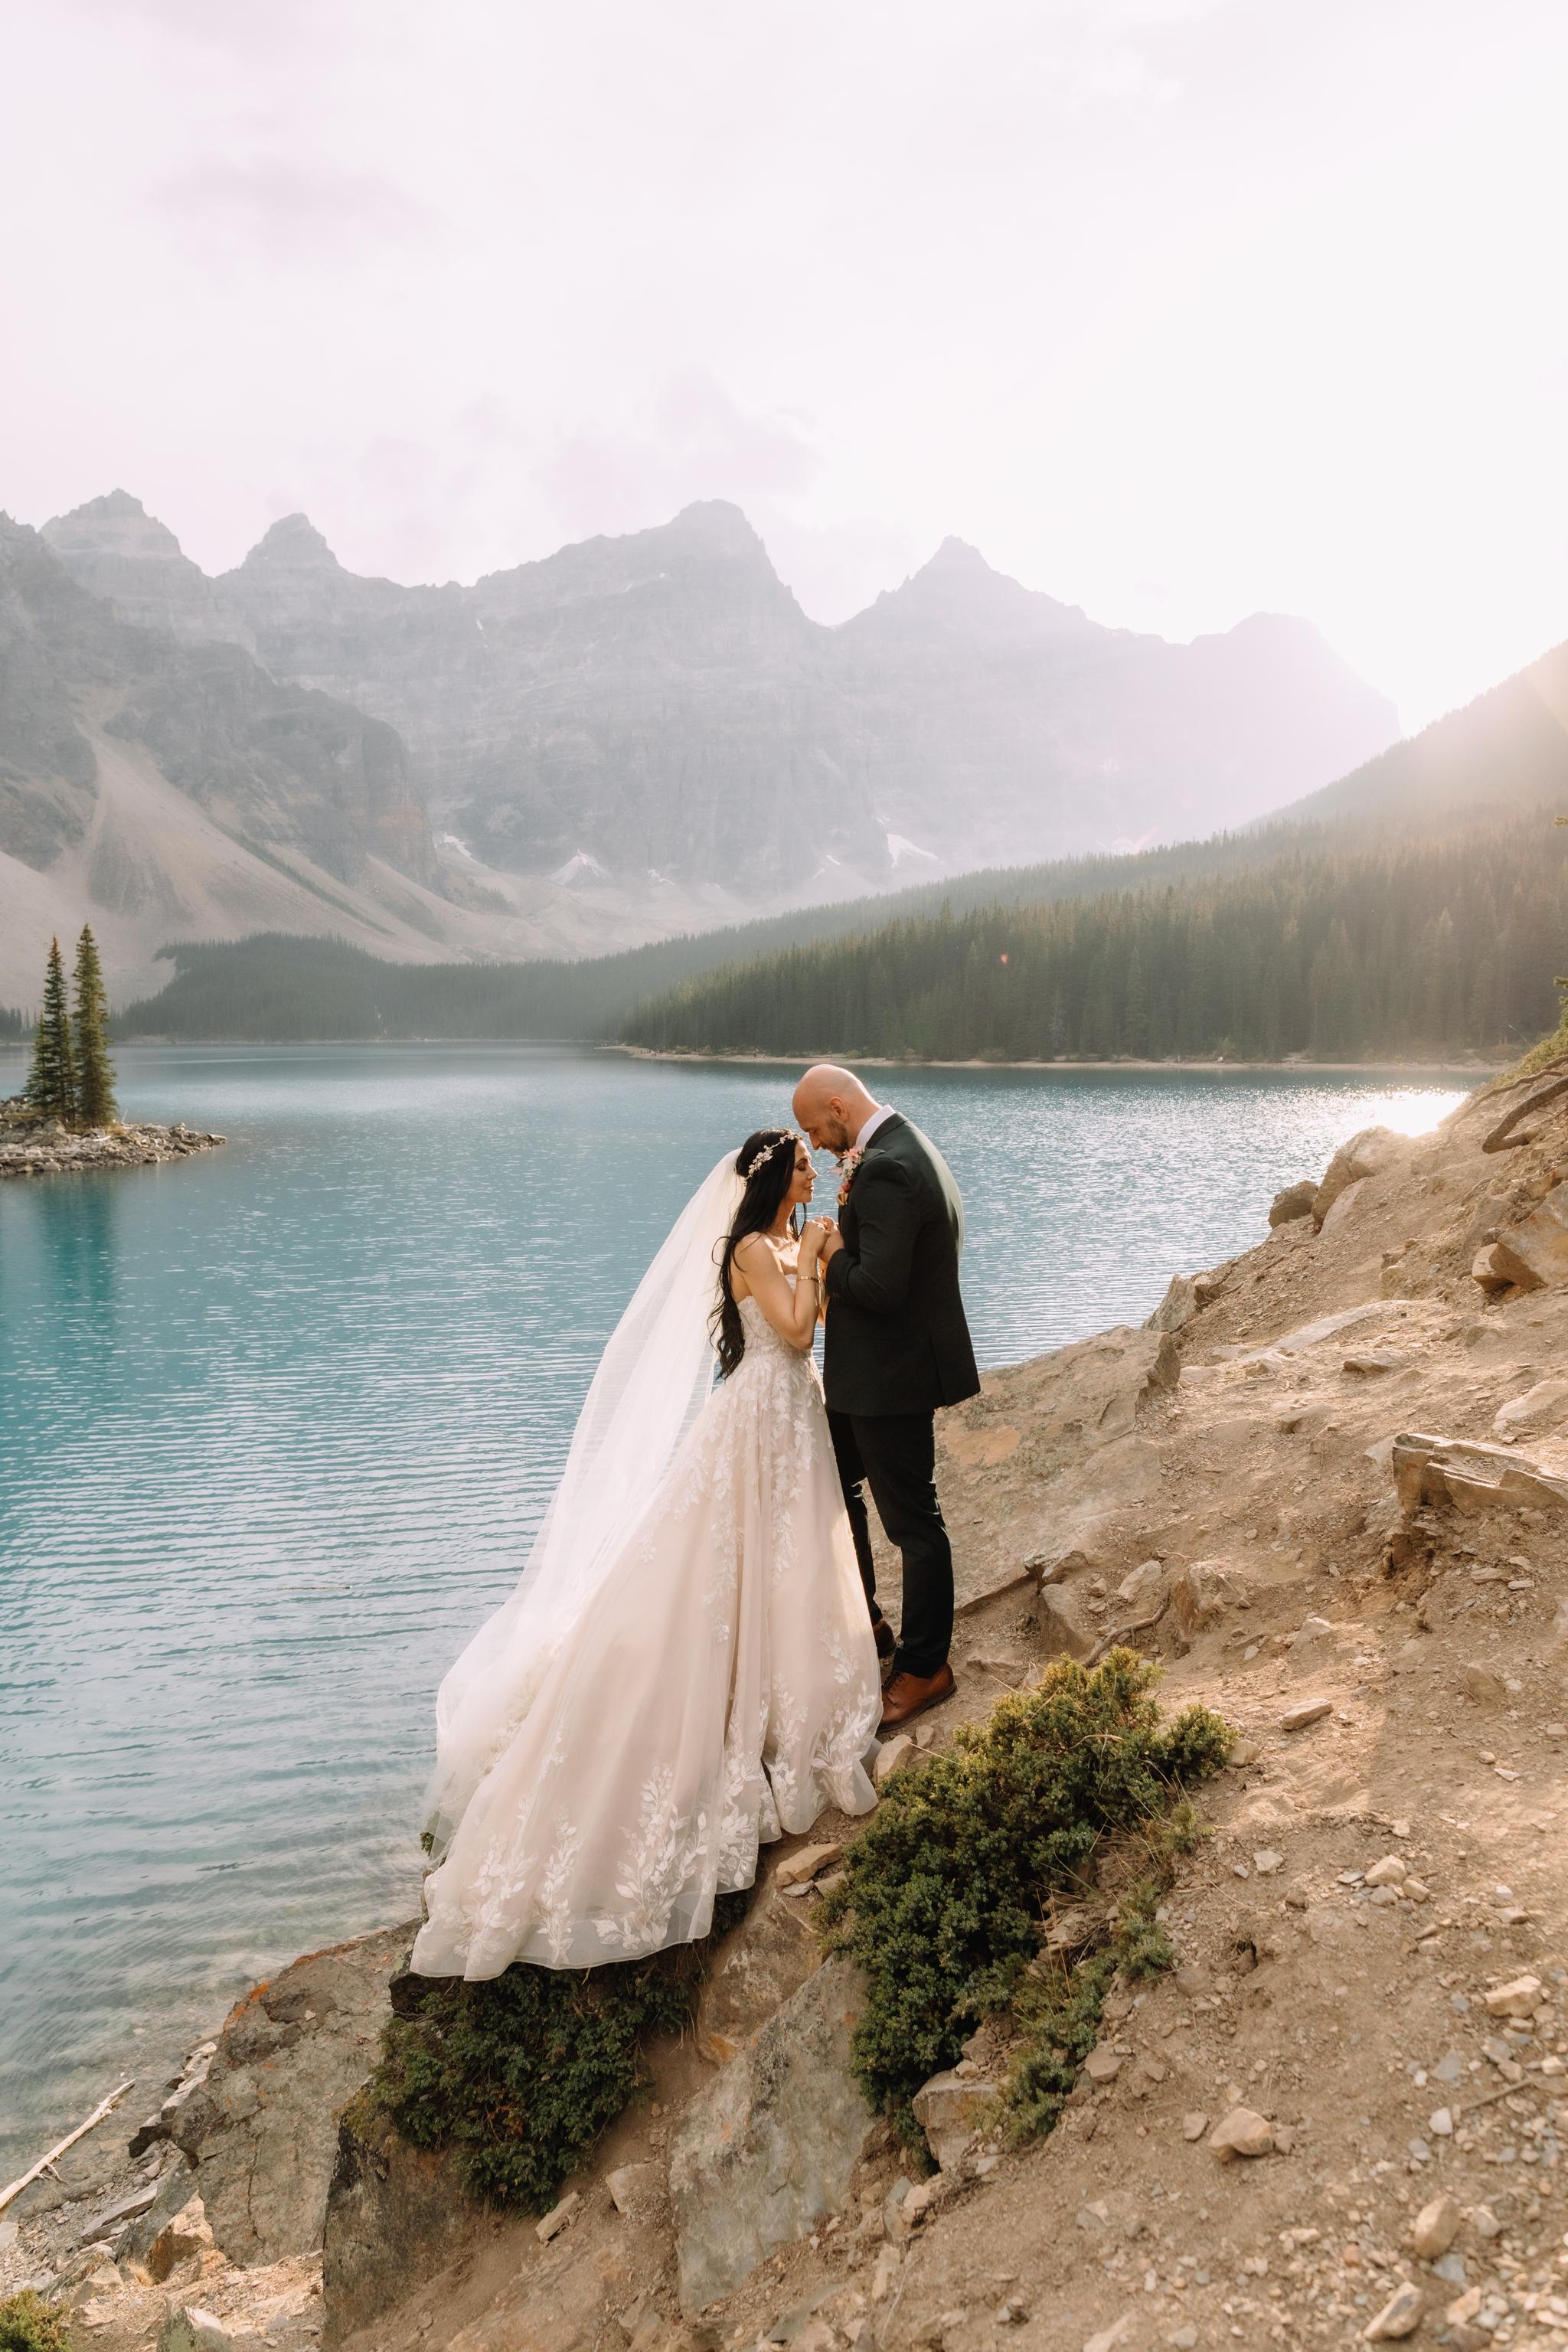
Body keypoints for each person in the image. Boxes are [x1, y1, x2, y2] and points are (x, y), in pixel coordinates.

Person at [410, 1129, 880, 1978]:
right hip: (758, 1422)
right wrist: (814, 1254)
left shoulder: (781, 1238)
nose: (814, 1168)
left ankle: (780, 1700)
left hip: (788, 1420)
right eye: (803, 1164)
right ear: (775, 1178)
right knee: (723, 1572)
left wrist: (819, 1248)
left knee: (792, 1566)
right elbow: (794, 1331)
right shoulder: (749, 1245)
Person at [791, 1065, 979, 1730]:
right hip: (864, 1377)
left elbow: (878, 1287)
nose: (810, 1144)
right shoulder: (898, 1146)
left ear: (838, 1107)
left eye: (813, 1128)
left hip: (891, 1381)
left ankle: (926, 1667)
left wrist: (831, 1253)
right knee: (833, 1484)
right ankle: (865, 1620)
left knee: (914, 1524)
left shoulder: (888, 1168)